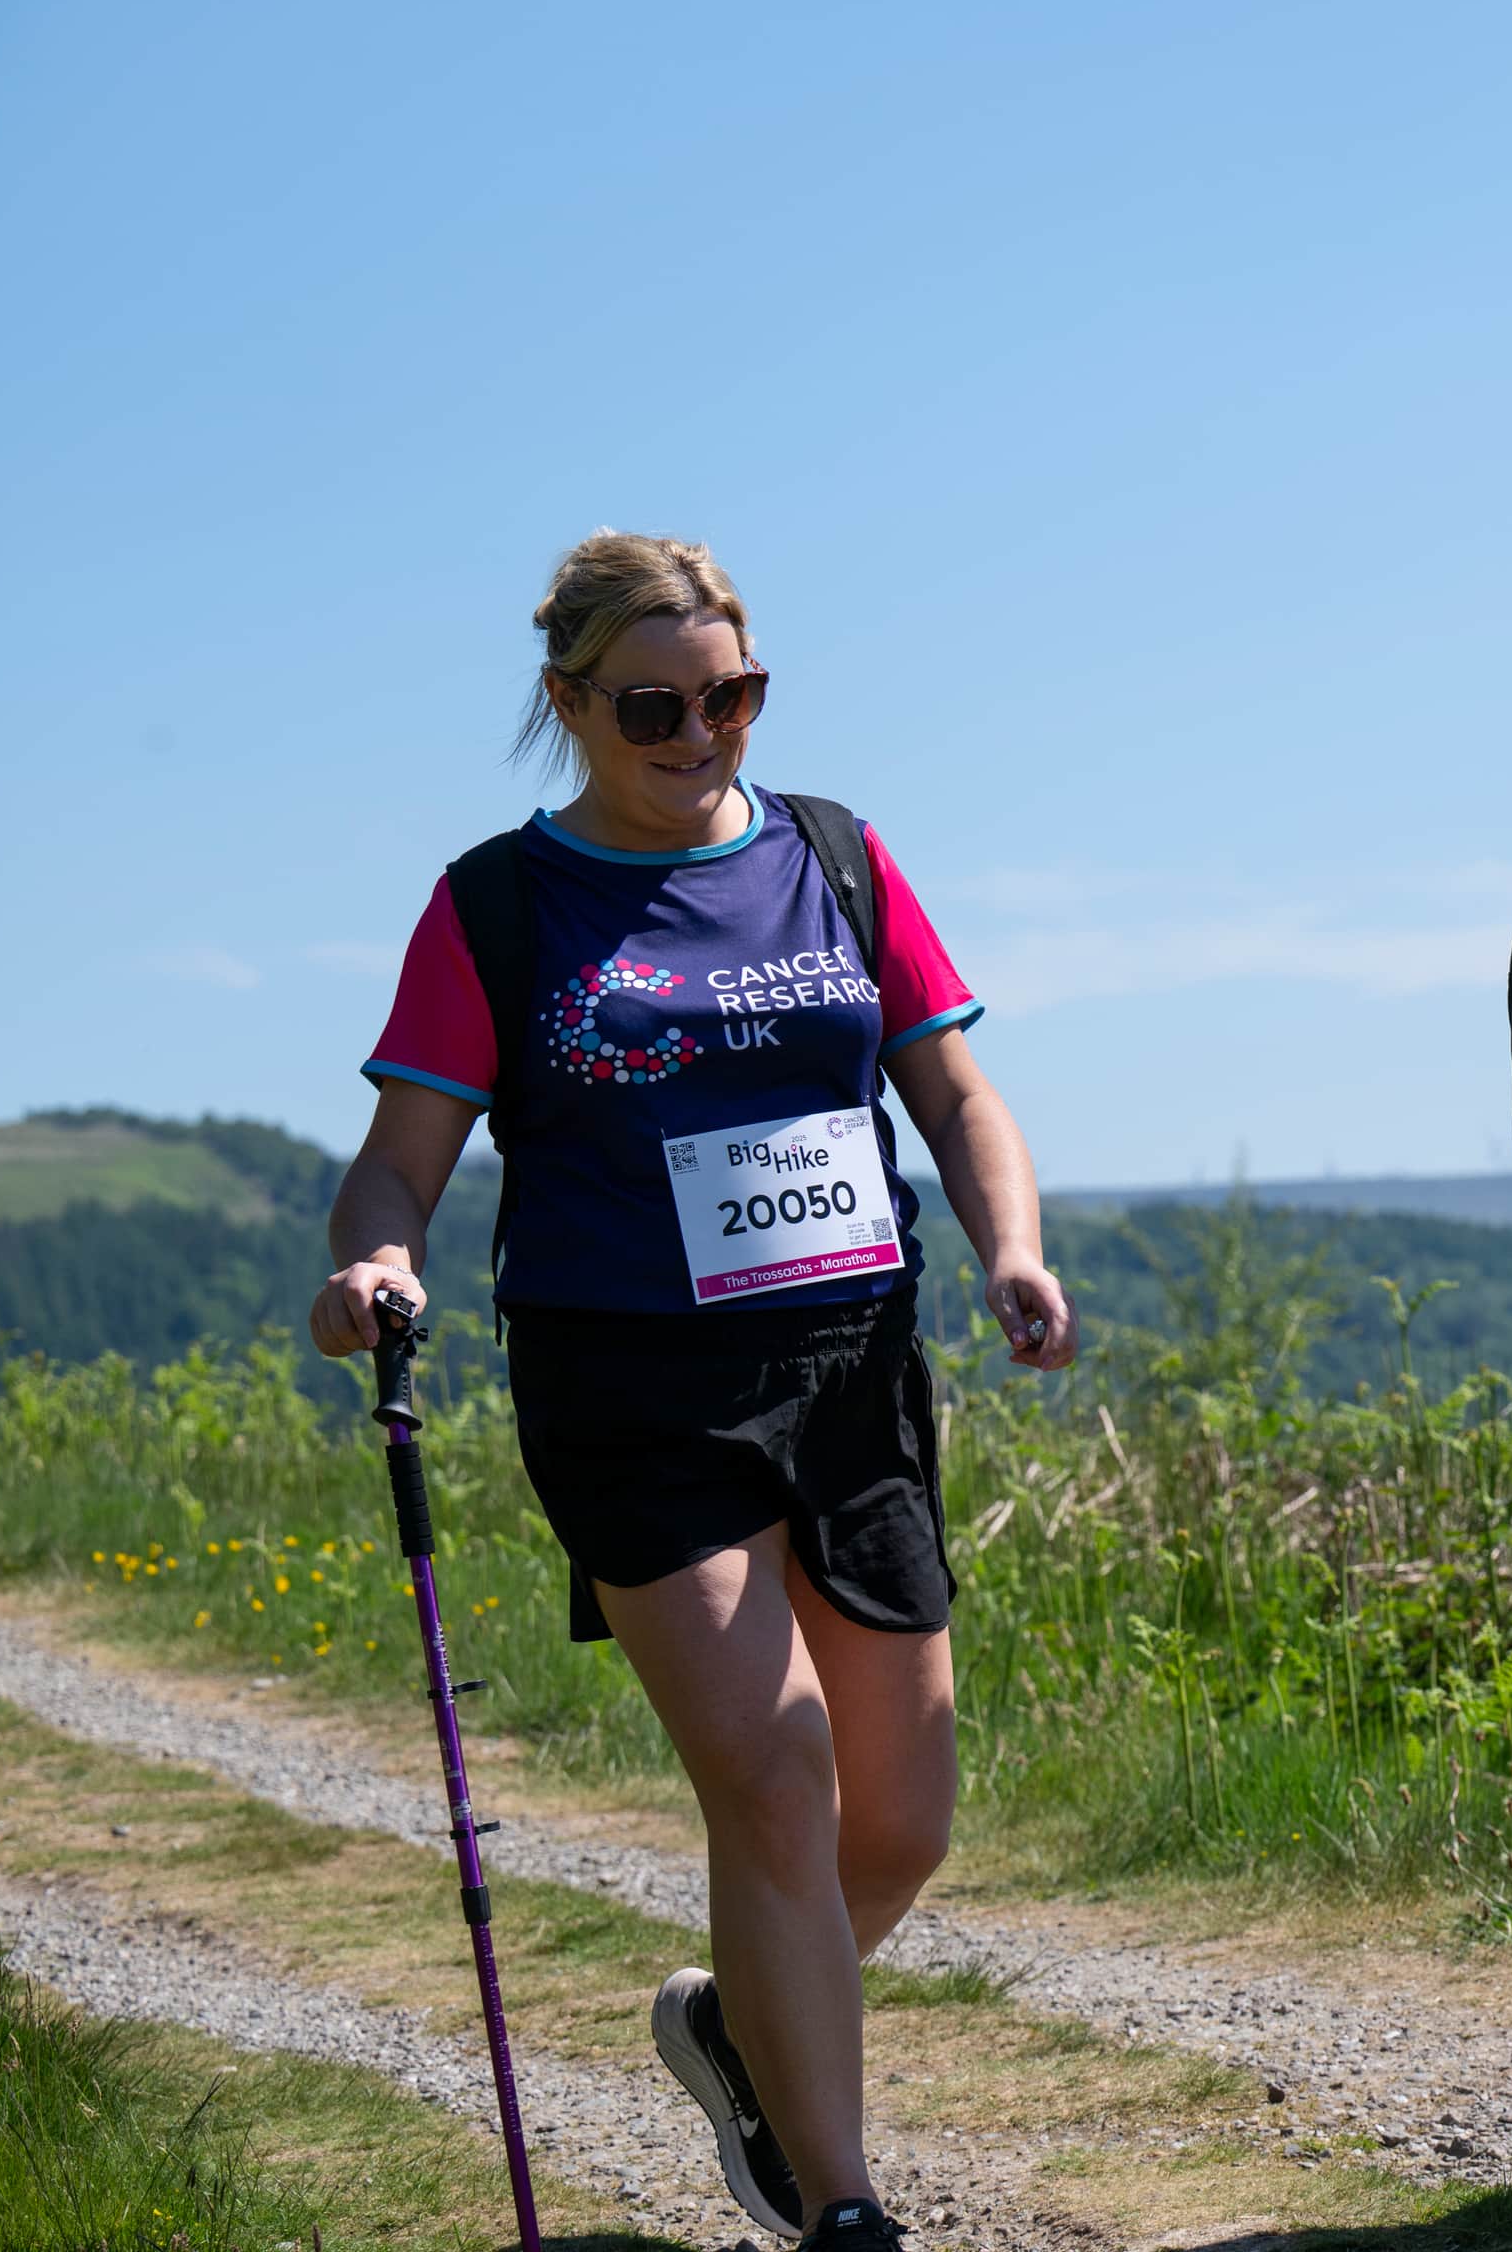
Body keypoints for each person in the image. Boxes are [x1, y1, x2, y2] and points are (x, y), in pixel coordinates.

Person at [313, 531, 1076, 2252]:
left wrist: (1011, 1250)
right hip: (634, 1383)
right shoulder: (499, 907)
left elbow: (956, 1098)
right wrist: (374, 1267)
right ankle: (846, 2208)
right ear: (571, 704)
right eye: (655, 701)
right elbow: (398, 1165)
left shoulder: (838, 856)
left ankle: (741, 2029)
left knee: (906, 1815)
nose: (700, 728)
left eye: (732, 692)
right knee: (777, 1769)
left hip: (849, 1360)